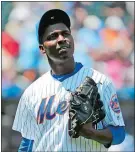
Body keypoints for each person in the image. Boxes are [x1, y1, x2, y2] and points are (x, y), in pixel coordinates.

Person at [12, 9, 125, 152]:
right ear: (42, 49)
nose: (61, 39)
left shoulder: (100, 81)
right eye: (53, 36)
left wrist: (91, 132)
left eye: (65, 33)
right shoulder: (31, 93)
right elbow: (27, 143)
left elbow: (119, 134)